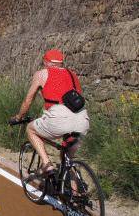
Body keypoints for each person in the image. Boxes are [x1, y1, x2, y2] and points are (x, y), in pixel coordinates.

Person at [11, 49, 89, 177]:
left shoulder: (42, 74)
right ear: (61, 63)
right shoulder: (72, 74)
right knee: (68, 159)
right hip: (82, 119)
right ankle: (75, 192)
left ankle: (47, 164)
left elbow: (28, 100)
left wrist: (19, 117)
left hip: (58, 117)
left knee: (31, 130)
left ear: (46, 62)